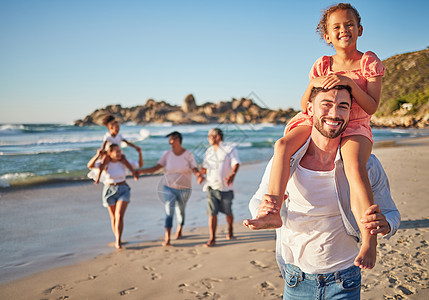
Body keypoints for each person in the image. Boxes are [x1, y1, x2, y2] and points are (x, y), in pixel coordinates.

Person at [258, 3, 385, 270]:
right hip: (318, 118)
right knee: (282, 145)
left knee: (353, 167)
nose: (344, 30)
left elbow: (372, 106)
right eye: (336, 27)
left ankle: (368, 239)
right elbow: (306, 103)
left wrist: (349, 83)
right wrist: (313, 85)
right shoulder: (322, 64)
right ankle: (271, 210)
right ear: (327, 36)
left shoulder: (368, 61)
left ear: (359, 29)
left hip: (354, 124)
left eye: (349, 25)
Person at [244, 85, 400, 299]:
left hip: (345, 279)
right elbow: (257, 201)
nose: (334, 113)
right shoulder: (285, 162)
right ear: (310, 109)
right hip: (297, 279)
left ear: (349, 113)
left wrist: (386, 224)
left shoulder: (365, 164)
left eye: (342, 107)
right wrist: (264, 210)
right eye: (326, 104)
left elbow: (391, 212)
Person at [138, 131, 202, 246]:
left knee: (180, 211)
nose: (170, 142)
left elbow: (194, 168)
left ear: (178, 140)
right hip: (168, 187)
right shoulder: (167, 154)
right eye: (169, 140)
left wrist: (198, 175)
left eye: (171, 139)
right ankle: (167, 238)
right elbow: (156, 168)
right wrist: (140, 171)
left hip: (184, 188)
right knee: (169, 211)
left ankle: (179, 230)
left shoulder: (188, 154)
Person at [87, 144, 143, 249]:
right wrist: (97, 155)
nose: (119, 153)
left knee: (119, 216)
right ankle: (118, 237)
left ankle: (118, 240)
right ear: (110, 153)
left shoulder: (124, 163)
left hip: (123, 189)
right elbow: (90, 165)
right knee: (113, 218)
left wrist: (139, 152)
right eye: (116, 151)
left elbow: (139, 164)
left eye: (119, 151)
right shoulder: (105, 164)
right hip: (109, 190)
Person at [197, 128, 240, 247]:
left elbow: (236, 163)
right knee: (212, 213)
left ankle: (230, 230)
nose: (208, 138)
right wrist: (201, 174)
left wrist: (232, 175)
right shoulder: (209, 151)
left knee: (228, 212)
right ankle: (212, 238)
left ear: (217, 137)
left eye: (209, 136)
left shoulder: (229, 149)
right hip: (211, 186)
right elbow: (206, 167)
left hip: (226, 188)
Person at [95, 114, 141, 184]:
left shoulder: (119, 136)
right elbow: (103, 146)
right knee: (104, 161)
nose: (118, 129)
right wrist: (101, 152)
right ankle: (98, 177)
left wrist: (135, 147)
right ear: (111, 128)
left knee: (125, 160)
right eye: (116, 127)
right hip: (109, 153)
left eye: (119, 127)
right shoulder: (108, 137)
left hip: (118, 153)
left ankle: (134, 173)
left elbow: (127, 143)